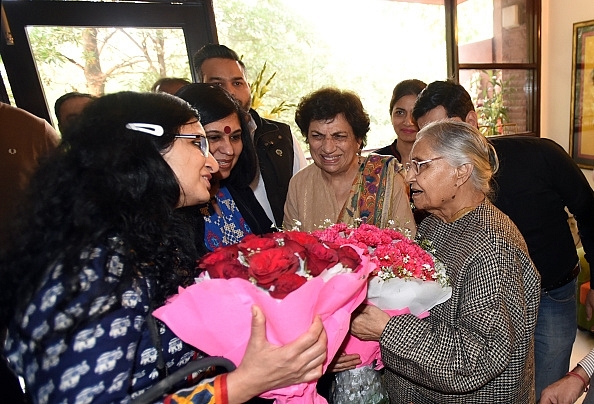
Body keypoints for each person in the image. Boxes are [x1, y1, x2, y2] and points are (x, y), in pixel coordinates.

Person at [0, 91, 327, 403]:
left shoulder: (135, 239)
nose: (213, 163)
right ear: (145, 148)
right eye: (198, 143)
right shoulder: (97, 267)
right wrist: (244, 384)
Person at [412, 80, 594, 400]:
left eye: (444, 131)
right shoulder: (441, 207)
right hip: (487, 302)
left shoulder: (541, 155)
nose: (437, 142)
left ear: (470, 122)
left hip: (553, 292)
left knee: (548, 389)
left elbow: (590, 212)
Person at [350, 120, 540, 402]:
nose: (409, 177)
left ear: (462, 171)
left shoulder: (493, 248)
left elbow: (475, 360)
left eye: (421, 165)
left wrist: (385, 329)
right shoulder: (434, 224)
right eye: (408, 165)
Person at [193, 44, 308, 227]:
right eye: (217, 84)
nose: (230, 91)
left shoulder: (279, 136)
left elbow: (304, 195)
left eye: (237, 83)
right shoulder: (188, 185)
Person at [283, 87, 415, 234]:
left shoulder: (386, 177)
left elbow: (405, 246)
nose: (327, 148)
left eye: (339, 136)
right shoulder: (300, 184)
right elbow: (291, 248)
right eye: (317, 136)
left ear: (358, 140)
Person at [176, 83, 273, 250]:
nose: (229, 150)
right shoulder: (175, 208)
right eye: (214, 138)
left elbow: (273, 245)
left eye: (235, 137)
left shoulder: (238, 192)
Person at [374, 79, 426, 165]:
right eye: (400, 113)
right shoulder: (375, 161)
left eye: (415, 113)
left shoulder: (440, 161)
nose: (408, 122)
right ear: (391, 115)